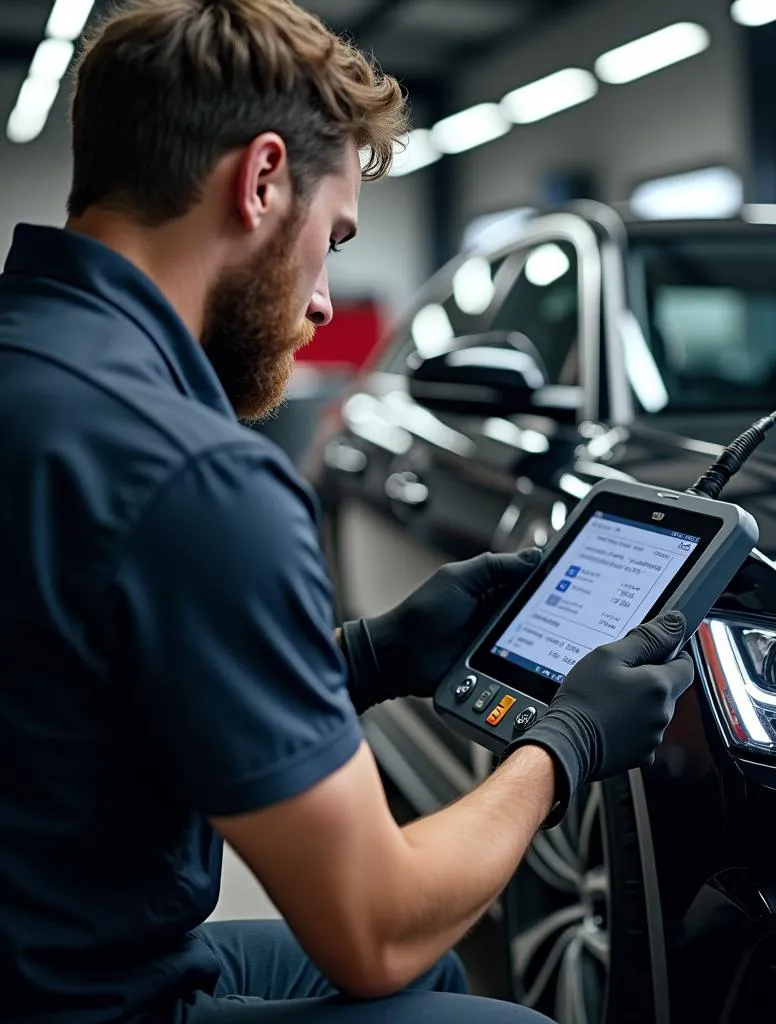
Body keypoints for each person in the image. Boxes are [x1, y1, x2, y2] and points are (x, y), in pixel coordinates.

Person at [0, 1, 695, 1022]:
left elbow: (81, 695)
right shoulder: (193, 474)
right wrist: (567, 742)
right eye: (331, 237)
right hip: (85, 1004)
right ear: (262, 178)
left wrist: (368, 657)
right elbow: (375, 928)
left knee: (433, 982)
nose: (323, 300)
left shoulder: (35, 370)